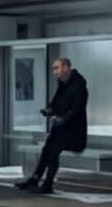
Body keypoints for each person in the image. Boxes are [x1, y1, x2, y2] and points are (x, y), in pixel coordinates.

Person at [16, 57, 88, 194]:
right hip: (61, 129)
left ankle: (48, 184)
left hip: (75, 134)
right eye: (53, 68)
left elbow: (76, 110)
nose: (54, 71)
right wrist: (49, 111)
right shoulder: (62, 85)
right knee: (46, 148)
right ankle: (35, 179)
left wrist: (63, 119)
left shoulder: (79, 86)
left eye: (57, 68)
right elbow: (56, 104)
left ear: (66, 68)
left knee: (54, 148)